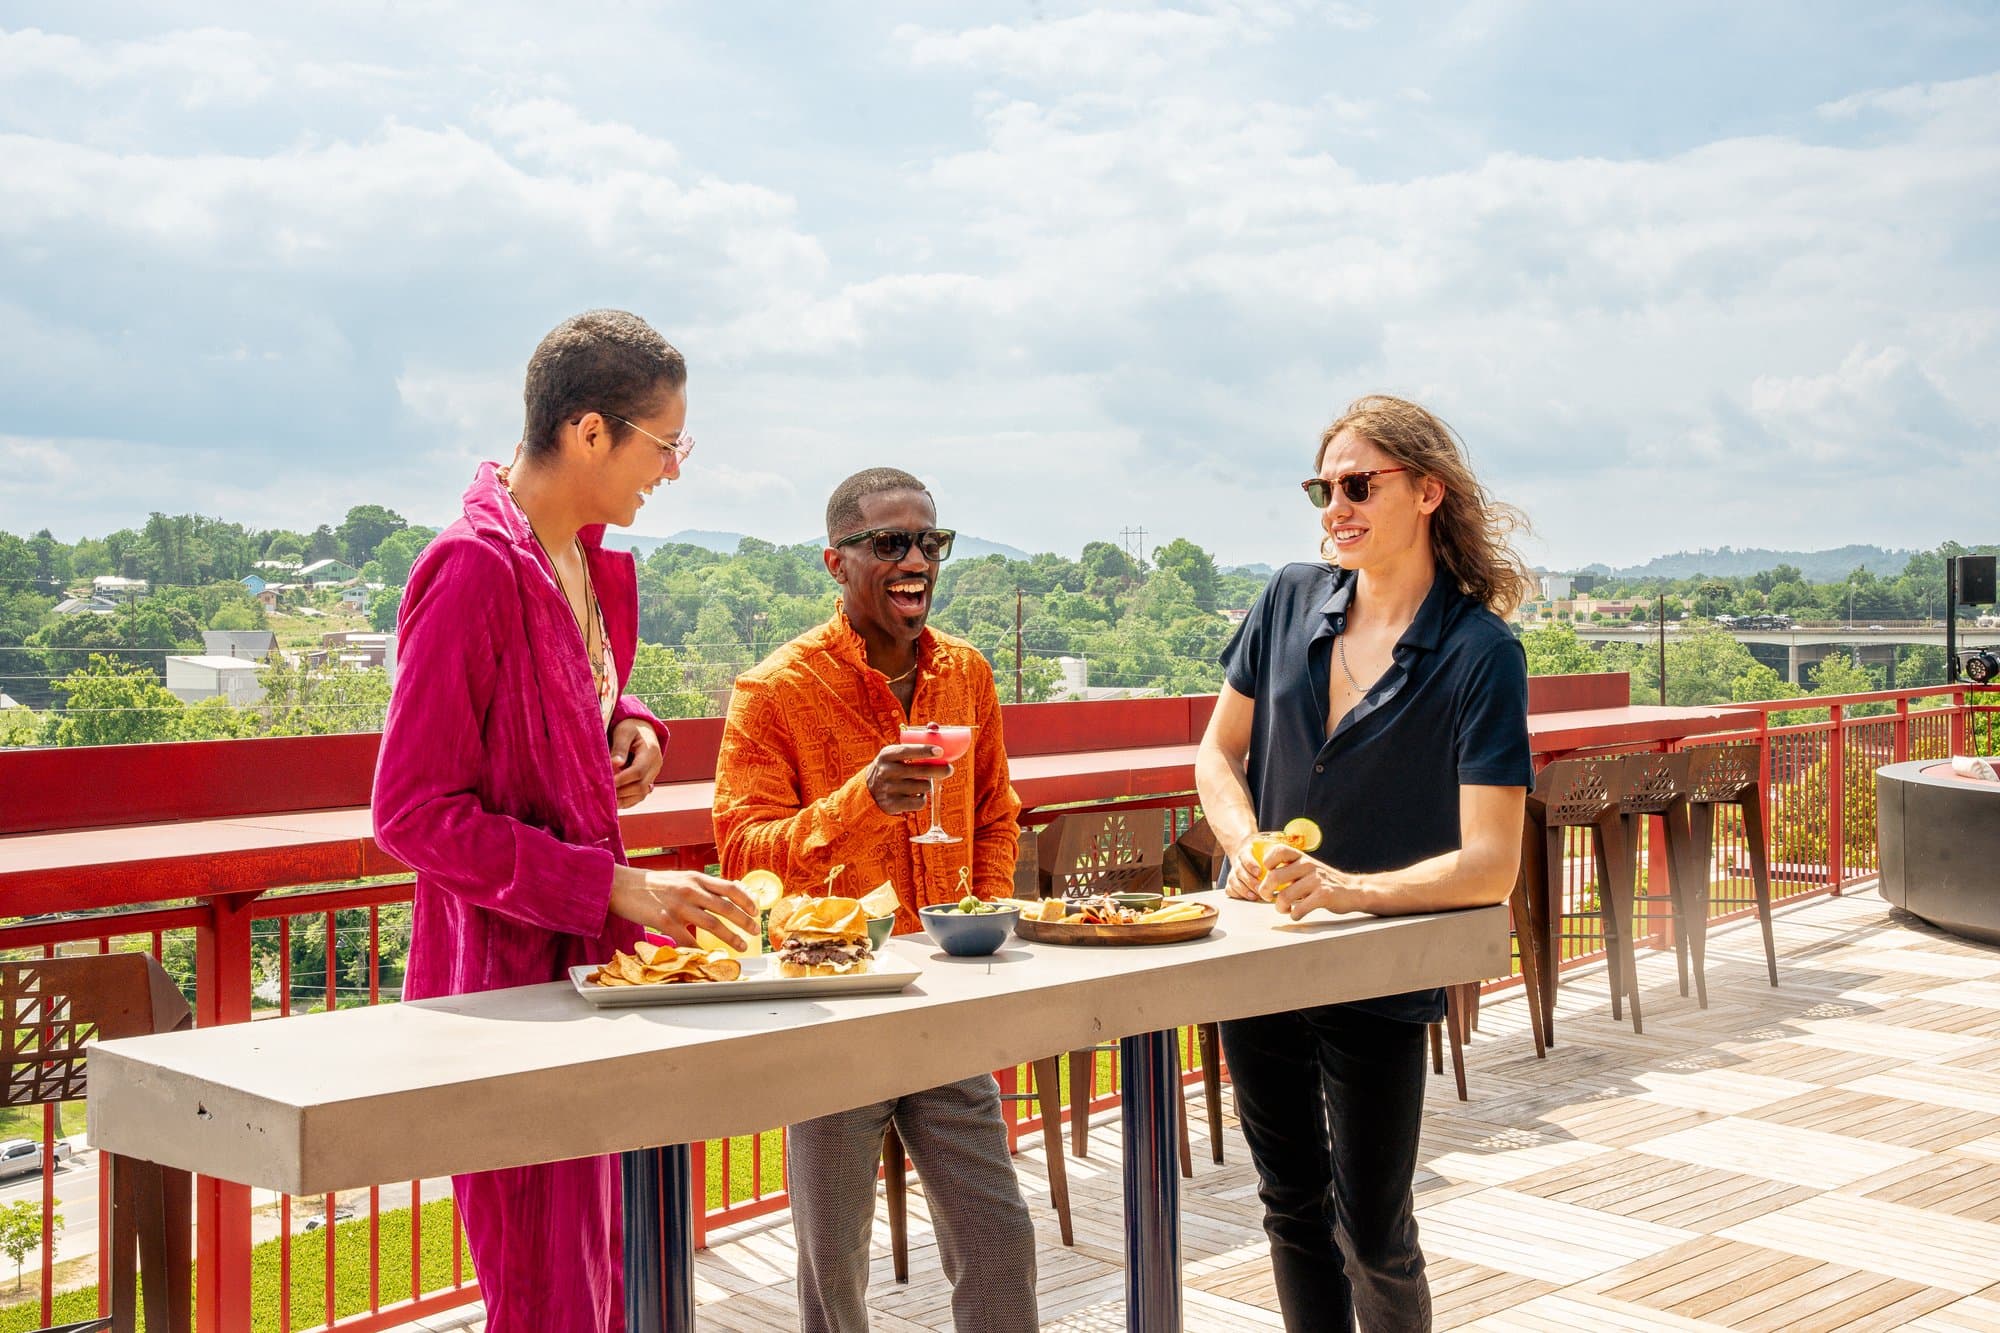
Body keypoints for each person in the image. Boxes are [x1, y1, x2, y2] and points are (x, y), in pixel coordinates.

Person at [372, 310, 756, 1333]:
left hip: (588, 980)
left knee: (595, 1286)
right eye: (665, 442)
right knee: (548, 1301)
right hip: (504, 989)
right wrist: (612, 884)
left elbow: (564, 699)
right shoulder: (471, 567)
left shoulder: (577, 559)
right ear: (589, 431)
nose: (673, 469)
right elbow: (410, 812)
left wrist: (631, 723)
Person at [1194, 395, 1534, 1331]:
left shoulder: (1480, 653)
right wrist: (1245, 844)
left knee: (1374, 1230)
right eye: (1324, 489)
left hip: (1379, 971)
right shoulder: (1287, 598)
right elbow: (1217, 753)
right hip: (1259, 955)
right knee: (1290, 1206)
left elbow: (1492, 863)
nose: (1335, 507)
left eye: (1358, 486)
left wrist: (1349, 892)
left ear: (1427, 491)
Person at [712, 467, 1038, 1333]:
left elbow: (995, 813)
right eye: (890, 541)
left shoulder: (965, 673)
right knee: (834, 1268)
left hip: (943, 1001)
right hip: (832, 1008)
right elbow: (743, 852)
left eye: (930, 540)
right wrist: (862, 802)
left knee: (1000, 1239)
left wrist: (979, 920)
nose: (915, 559)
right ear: (836, 561)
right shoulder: (775, 690)